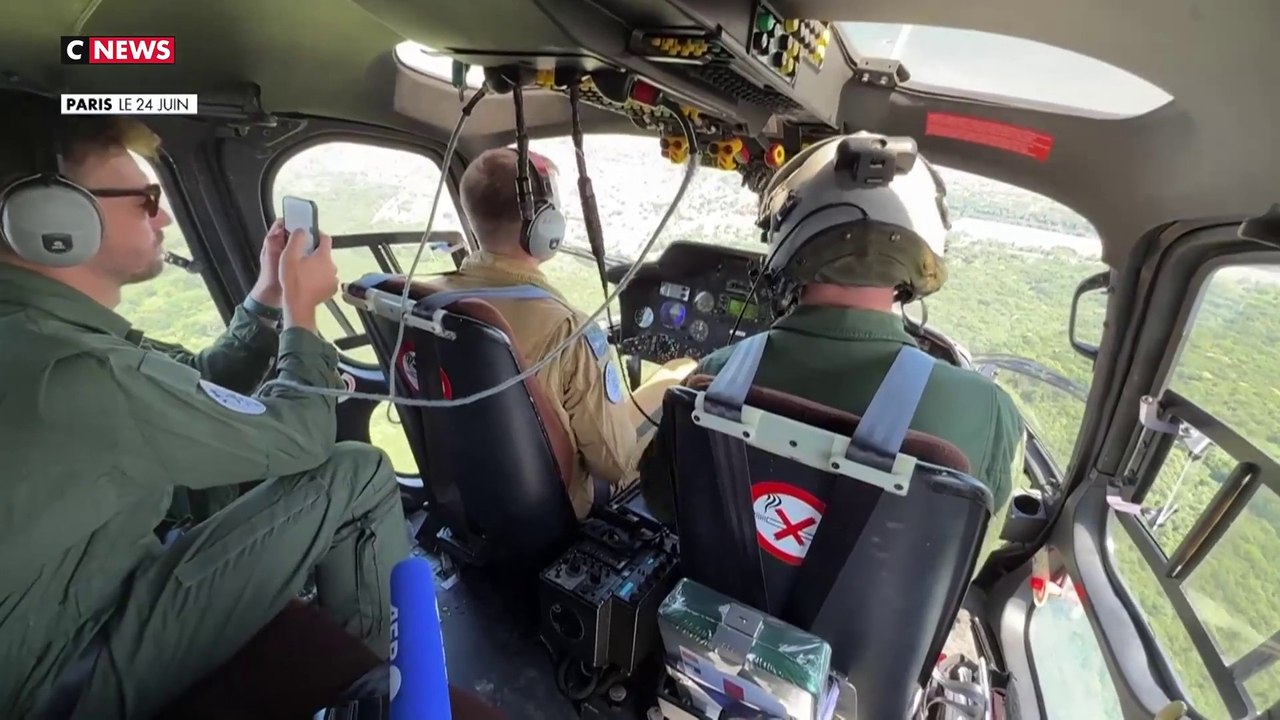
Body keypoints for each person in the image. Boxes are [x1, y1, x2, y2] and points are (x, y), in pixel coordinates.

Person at [0, 91, 411, 719]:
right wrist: (304, 317)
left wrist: (268, 297)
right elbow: (301, 439)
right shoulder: (77, 372)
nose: (163, 219)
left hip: (69, 610)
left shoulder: (35, 333)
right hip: (60, 679)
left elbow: (191, 383)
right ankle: (359, 696)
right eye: (145, 200)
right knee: (357, 474)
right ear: (53, 222)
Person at [638, 133, 1026, 563]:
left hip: (713, 622)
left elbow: (664, 503)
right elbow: (966, 562)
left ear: (786, 240)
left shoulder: (717, 375)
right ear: (923, 256)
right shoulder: (985, 410)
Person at [428, 147, 644, 518]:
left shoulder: (430, 299)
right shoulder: (567, 329)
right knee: (671, 389)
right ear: (544, 224)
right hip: (551, 513)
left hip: (464, 500)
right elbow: (616, 465)